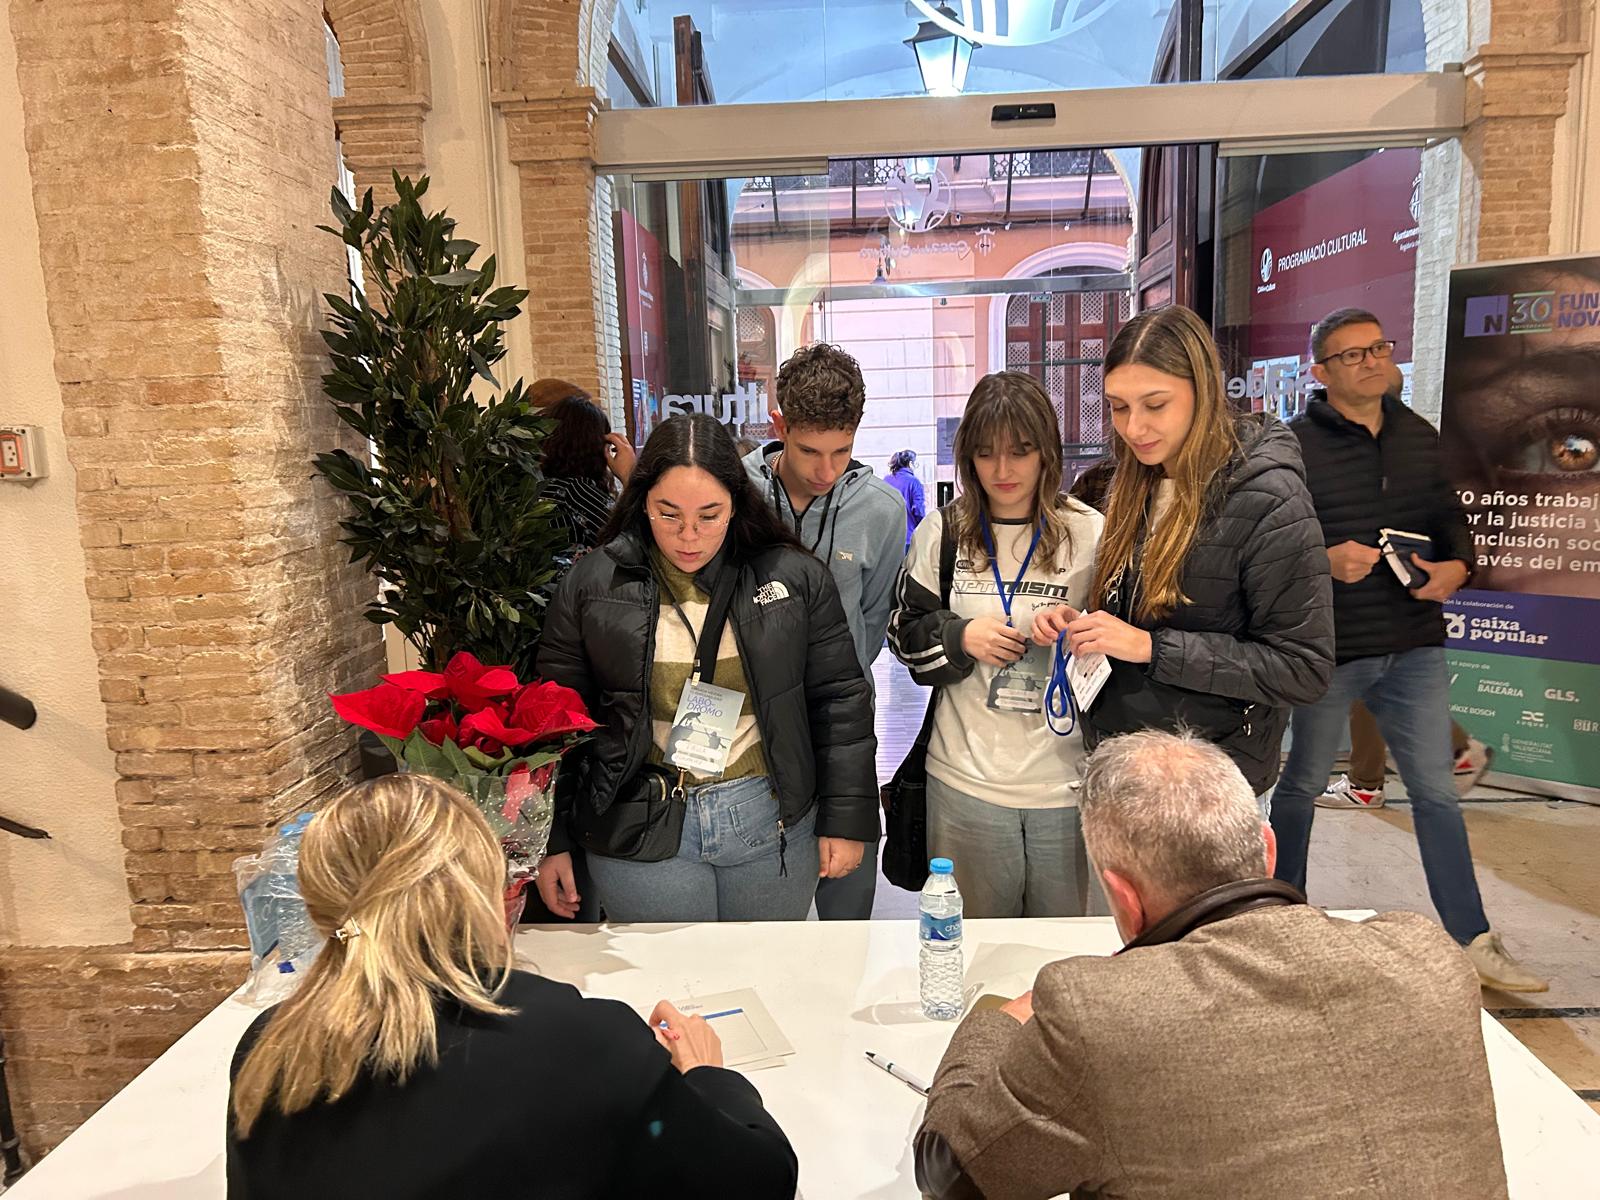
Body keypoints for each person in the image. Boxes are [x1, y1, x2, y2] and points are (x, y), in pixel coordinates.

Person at [913, 730, 1509, 1200]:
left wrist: (1003, 1017)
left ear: (1123, 897)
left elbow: (952, 1171)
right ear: (1267, 850)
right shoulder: (1427, 955)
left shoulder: (1093, 1015)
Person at [227, 775, 798, 1200]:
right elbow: (761, 1181)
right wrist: (710, 1077)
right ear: (480, 888)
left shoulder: (270, 1048)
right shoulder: (581, 1043)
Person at [1273, 308, 1546, 991]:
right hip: (1331, 648)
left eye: (1379, 348)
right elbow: (1269, 542)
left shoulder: (1418, 435)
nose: (1372, 361)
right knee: (1299, 789)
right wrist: (1322, 559)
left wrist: (1460, 565)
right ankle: (1279, 927)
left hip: (1414, 644)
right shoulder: (1293, 445)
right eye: (1353, 354)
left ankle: (1472, 937)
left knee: (1437, 794)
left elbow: (1448, 517)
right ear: (1321, 371)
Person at [536, 413, 878, 922]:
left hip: (769, 821)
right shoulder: (593, 584)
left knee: (763, 968)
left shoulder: (794, 577)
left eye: (709, 515)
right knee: (666, 974)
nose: (689, 536)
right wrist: (552, 838)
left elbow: (840, 701)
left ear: (736, 503)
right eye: (668, 514)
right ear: (642, 500)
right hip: (637, 821)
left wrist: (846, 819)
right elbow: (555, 719)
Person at [1031, 304, 1334, 803]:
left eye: (1155, 405)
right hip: (1121, 767)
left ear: (1204, 391)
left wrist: (1151, 648)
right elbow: (1135, 614)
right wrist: (1082, 623)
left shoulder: (1268, 498)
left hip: (1210, 785)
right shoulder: (1124, 483)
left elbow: (1303, 669)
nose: (1134, 428)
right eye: (1118, 407)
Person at [887, 372, 1103, 916]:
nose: (1003, 471)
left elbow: (1125, 640)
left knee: (1063, 951)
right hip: (964, 782)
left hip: (1067, 784)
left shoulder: (1091, 533)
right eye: (986, 454)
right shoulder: (943, 532)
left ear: (1047, 451)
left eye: (1020, 452)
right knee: (975, 950)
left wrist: (1079, 628)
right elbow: (903, 633)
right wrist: (960, 636)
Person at [742, 344, 908, 920]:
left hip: (843, 720)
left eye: (842, 451)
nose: (826, 470)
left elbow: (873, 619)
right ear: (780, 426)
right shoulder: (738, 493)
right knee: (763, 908)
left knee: (847, 903)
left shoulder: (882, 510)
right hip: (751, 723)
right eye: (809, 451)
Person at [539, 395, 636, 554]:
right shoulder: (575, 492)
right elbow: (630, 543)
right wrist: (629, 475)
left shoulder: (538, 485)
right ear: (597, 446)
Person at [885, 448, 926, 549]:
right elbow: (918, 511)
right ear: (910, 463)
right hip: (908, 537)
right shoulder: (914, 482)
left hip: (887, 539)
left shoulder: (886, 480)